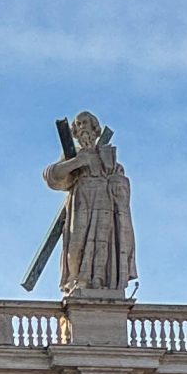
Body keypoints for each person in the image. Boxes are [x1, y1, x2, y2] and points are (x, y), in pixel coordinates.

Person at [44, 111, 136, 297]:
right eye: (78, 124)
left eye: (86, 122)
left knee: (103, 241)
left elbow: (120, 178)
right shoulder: (73, 154)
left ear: (95, 129)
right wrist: (76, 162)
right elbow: (51, 176)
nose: (82, 126)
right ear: (75, 131)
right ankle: (76, 279)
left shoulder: (107, 155)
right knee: (76, 241)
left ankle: (100, 280)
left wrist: (118, 182)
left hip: (105, 200)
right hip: (81, 199)